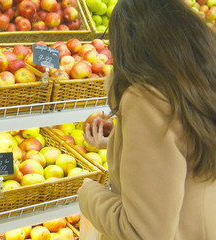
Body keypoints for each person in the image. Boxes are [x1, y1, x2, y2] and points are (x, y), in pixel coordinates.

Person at [77, 0, 216, 239]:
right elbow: (183, 157)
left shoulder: (147, 99)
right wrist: (114, 144)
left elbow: (143, 232)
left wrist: (87, 193)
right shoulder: (199, 88)